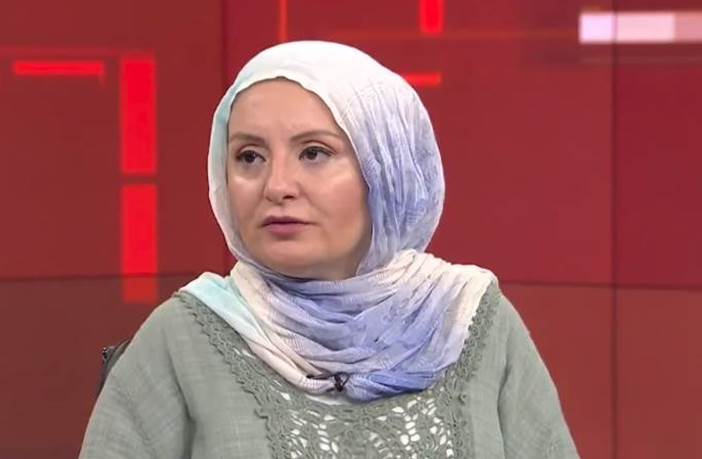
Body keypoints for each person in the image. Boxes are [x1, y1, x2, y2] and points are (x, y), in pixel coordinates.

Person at [79, 41, 579, 458]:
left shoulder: (472, 322)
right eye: (249, 156)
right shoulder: (183, 337)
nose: (276, 185)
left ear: (385, 170)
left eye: (314, 153)